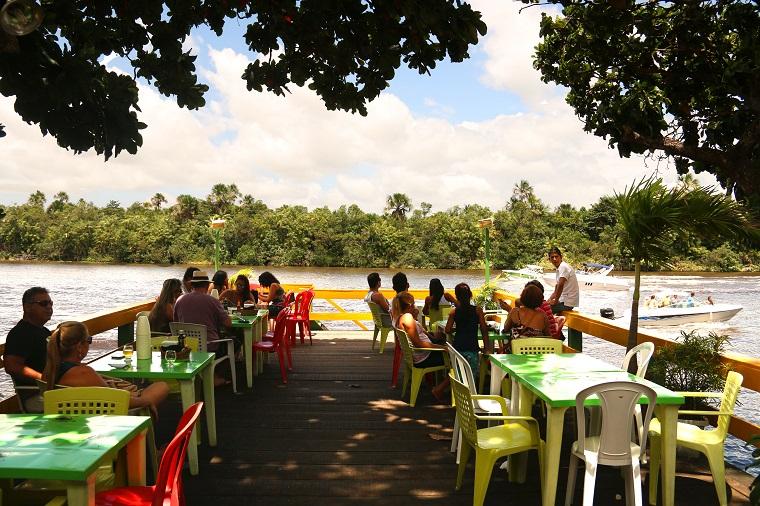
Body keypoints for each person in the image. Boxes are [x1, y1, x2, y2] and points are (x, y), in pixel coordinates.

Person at [42, 321, 169, 414]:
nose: (89, 344)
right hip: (108, 419)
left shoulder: (49, 371)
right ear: (79, 346)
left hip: (76, 417)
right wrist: (146, 401)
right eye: (89, 340)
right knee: (161, 386)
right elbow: (116, 401)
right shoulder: (83, 373)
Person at [173, 271, 233, 386]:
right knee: (234, 342)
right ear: (206, 285)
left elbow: (176, 322)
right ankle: (213, 377)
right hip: (209, 346)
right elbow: (228, 323)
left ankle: (204, 376)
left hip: (185, 347)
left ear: (192, 285)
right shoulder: (212, 301)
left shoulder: (179, 300)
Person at [4, 287, 53, 411]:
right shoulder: (20, 334)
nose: (49, 307)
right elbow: (11, 365)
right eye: (43, 304)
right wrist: (44, 379)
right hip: (35, 394)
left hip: (51, 389)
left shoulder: (44, 331)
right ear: (27, 307)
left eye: (50, 303)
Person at [393, 291, 448, 401]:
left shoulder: (400, 317)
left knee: (448, 347)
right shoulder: (407, 318)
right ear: (409, 306)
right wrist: (441, 348)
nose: (414, 305)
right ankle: (439, 389)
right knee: (459, 358)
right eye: (413, 303)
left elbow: (417, 334)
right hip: (423, 357)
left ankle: (440, 384)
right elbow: (418, 343)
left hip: (418, 355)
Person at [445, 283, 490, 374]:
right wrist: (486, 347)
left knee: (459, 375)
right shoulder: (478, 310)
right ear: (470, 295)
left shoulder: (454, 312)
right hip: (472, 348)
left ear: (457, 297)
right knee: (471, 376)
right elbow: (484, 329)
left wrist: (457, 329)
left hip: (458, 348)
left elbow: (447, 330)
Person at [502, 284, 551, 352]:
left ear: (522, 297)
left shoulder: (515, 311)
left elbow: (506, 328)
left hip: (516, 353)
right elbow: (548, 336)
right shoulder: (542, 315)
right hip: (537, 353)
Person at [546, 247, 579, 315]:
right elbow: (556, 289)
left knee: (544, 309)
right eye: (552, 257)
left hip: (567, 303)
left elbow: (561, 285)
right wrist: (549, 299)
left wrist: (555, 301)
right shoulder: (559, 269)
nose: (554, 259)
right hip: (564, 301)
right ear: (549, 259)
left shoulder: (563, 267)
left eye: (556, 256)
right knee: (544, 305)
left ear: (561, 257)